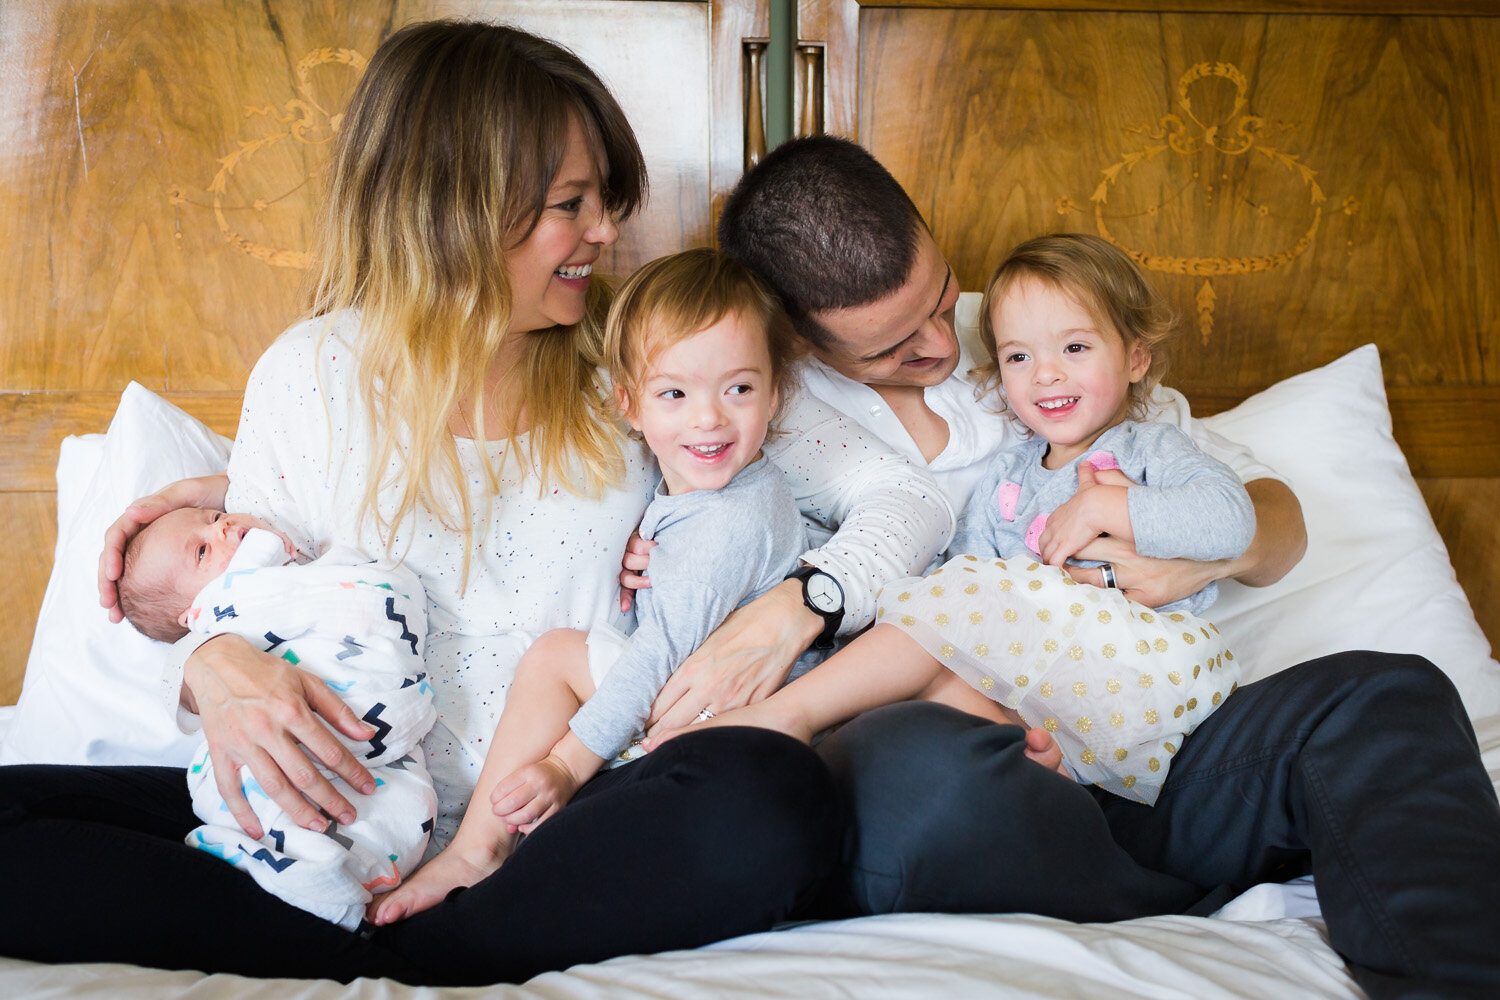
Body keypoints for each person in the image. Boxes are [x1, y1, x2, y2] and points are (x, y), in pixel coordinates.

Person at [0, 21, 878, 984]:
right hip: (343, 813)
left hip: (554, 816)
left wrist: (803, 605)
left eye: (604, 201)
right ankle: (376, 926)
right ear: (459, 208)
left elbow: (903, 502)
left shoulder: (642, 372)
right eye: (571, 204)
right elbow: (252, 602)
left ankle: (412, 939)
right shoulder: (308, 375)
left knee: (775, 797)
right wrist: (210, 661)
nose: (607, 232)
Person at [706, 134, 1500, 1000]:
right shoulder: (753, 410)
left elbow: (1272, 521)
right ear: (804, 341)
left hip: (1149, 746)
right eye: (892, 346)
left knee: (1389, 697)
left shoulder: (1041, 323)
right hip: (973, 763)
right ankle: (1180, 889)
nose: (943, 340)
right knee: (917, 775)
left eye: (940, 296)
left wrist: (1193, 560)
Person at [653, 232, 1256, 805]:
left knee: (938, 620)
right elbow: (961, 574)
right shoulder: (1011, 470)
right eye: (1019, 356)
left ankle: (784, 717)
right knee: (931, 668)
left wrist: (1110, 505)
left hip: (1132, 664)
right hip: (1045, 686)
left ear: (1136, 358)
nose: (1046, 374)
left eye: (1075, 348)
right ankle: (1039, 764)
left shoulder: (1148, 448)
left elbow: (1233, 520)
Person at [372, 247, 823, 924]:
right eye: (675, 393)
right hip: (720, 708)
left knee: (556, 655)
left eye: (739, 389)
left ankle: (474, 849)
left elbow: (659, 652)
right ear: (629, 404)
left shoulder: (726, 522)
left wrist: (566, 762)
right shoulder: (717, 494)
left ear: (775, 394)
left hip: (728, 712)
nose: (708, 419)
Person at [118, 507, 437, 930]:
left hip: (372, 731)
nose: (224, 527)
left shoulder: (308, 576)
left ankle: (330, 875)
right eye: (201, 550)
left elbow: (377, 597)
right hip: (278, 752)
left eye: (214, 516)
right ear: (193, 615)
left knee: (396, 809)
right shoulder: (229, 607)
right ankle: (309, 874)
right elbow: (242, 605)